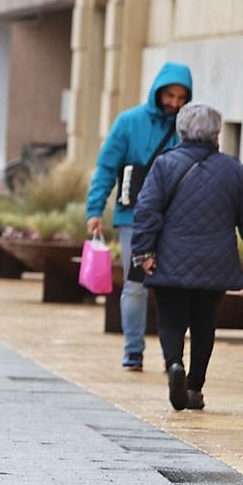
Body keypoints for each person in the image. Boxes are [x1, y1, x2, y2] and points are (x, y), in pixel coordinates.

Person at [132, 103, 243, 412]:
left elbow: (147, 212)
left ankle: (174, 366)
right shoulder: (233, 169)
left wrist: (143, 253)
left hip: (170, 259)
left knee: (170, 321)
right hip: (214, 262)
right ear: (216, 134)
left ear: (181, 131)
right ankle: (194, 388)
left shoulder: (164, 165)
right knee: (204, 325)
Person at [85, 62, 194, 371]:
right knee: (135, 284)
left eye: (181, 97)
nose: (174, 103)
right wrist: (94, 210)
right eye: (169, 95)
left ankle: (172, 357)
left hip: (175, 219)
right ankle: (133, 350)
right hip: (132, 215)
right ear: (157, 91)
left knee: (173, 287)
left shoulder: (187, 126)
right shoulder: (128, 122)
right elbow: (106, 168)